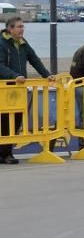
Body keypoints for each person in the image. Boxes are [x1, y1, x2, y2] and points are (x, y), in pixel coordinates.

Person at [0, 16, 54, 164]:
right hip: (5, 88)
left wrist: (47, 75)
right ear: (10, 29)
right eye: (19, 27)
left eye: (23, 27)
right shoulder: (2, 42)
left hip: (19, 88)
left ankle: (6, 152)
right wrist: (14, 76)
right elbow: (0, 65)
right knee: (5, 121)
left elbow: (34, 60)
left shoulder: (23, 43)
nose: (22, 29)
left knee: (17, 120)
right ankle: (4, 154)